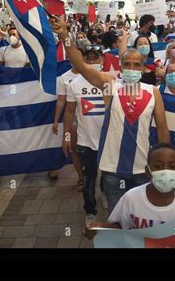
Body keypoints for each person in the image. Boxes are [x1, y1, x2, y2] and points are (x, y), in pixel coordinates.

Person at [50, 15, 170, 214]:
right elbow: (80, 65)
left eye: (136, 65)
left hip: (142, 169)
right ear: (120, 67)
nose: (131, 69)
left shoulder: (153, 92)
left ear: (142, 68)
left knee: (141, 217)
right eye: (127, 65)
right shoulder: (109, 86)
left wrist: (162, 166)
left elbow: (163, 131)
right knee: (118, 219)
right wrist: (64, 35)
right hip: (112, 170)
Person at [84, 143, 175, 237]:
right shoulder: (131, 198)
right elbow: (120, 226)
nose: (165, 171)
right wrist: (98, 228)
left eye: (172, 167)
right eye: (158, 166)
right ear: (147, 171)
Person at [64, 45, 108, 223]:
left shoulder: (111, 81)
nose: (92, 62)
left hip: (108, 140)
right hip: (85, 142)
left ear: (102, 60)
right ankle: (90, 211)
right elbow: (68, 112)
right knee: (88, 179)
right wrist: (66, 137)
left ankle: (105, 194)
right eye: (88, 58)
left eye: (95, 58)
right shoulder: (74, 84)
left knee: (107, 175)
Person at [52, 42, 84, 187]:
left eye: (78, 56)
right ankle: (81, 178)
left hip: (92, 119)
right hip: (74, 121)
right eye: (72, 56)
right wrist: (56, 120)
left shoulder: (93, 74)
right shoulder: (64, 78)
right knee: (75, 150)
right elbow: (61, 101)